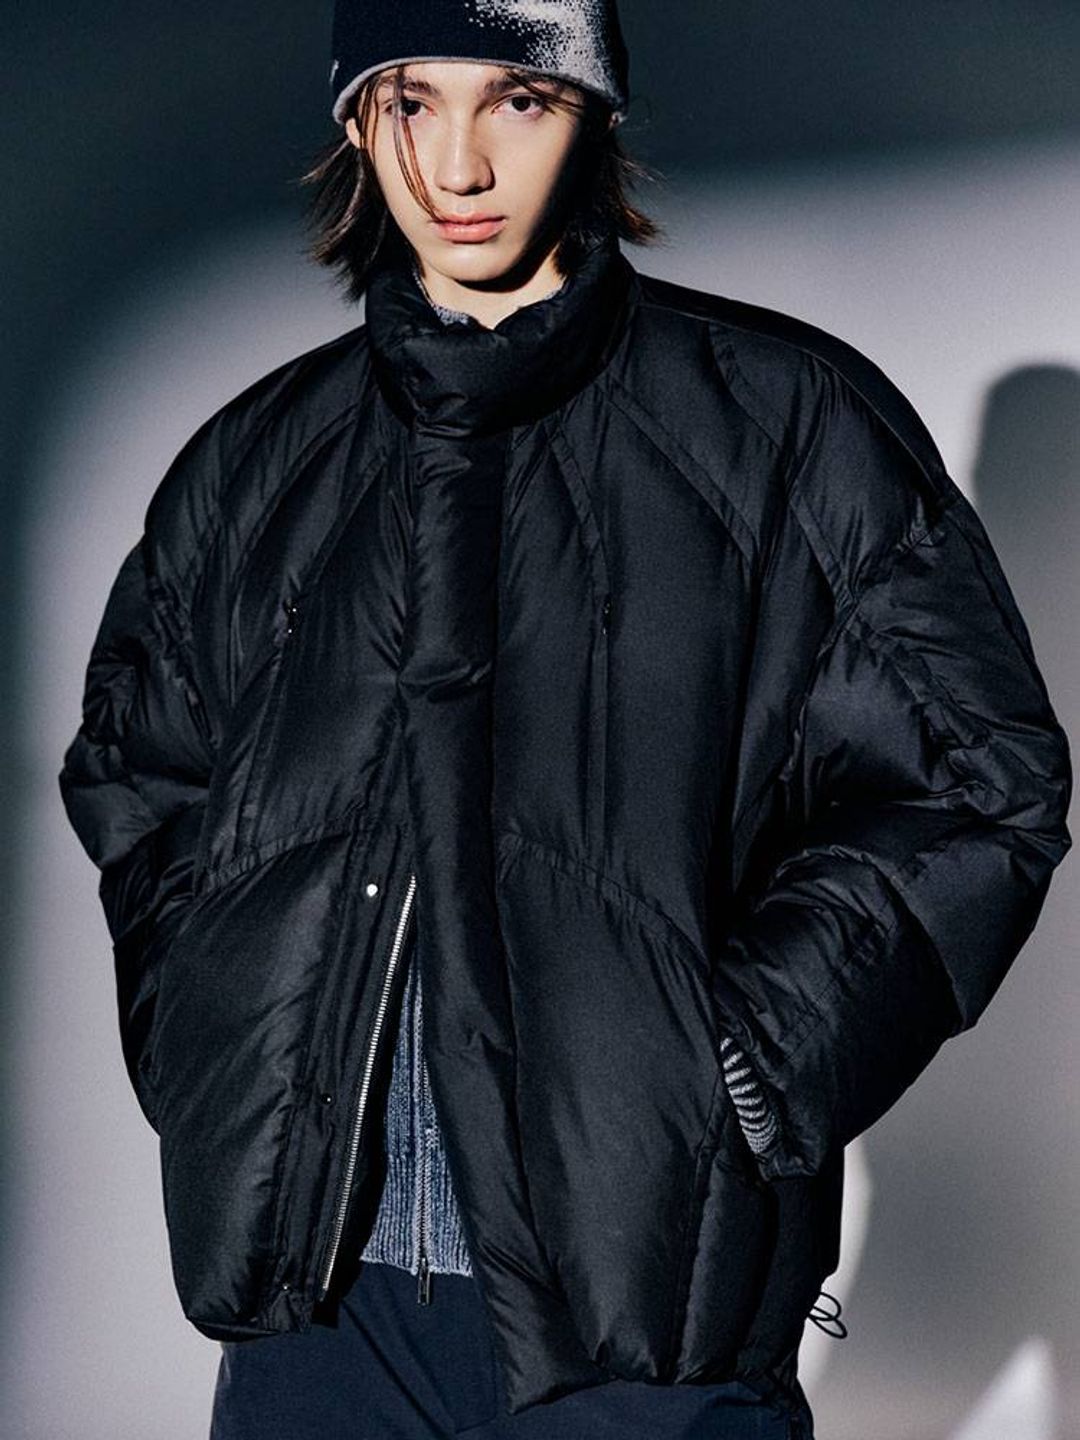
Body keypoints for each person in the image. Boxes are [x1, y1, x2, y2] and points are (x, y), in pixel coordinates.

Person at [57, 2, 1072, 1437]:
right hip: (321, 1321)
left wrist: (751, 1057)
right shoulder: (260, 464)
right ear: (356, 122)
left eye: (516, 102)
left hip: (641, 1322)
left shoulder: (785, 427)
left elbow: (979, 779)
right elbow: (140, 772)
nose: (458, 165)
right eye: (412, 102)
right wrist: (212, 1045)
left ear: (591, 113)